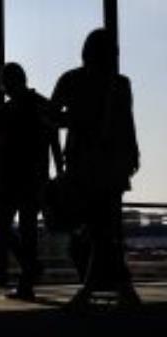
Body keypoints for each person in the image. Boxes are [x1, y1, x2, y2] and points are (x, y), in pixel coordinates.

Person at [51, 28, 141, 309]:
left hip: (82, 163)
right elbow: (126, 125)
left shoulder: (71, 79)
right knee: (106, 230)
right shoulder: (120, 83)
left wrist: (72, 121)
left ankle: (93, 290)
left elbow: (54, 118)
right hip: (111, 165)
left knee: (97, 230)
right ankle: (117, 288)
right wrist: (130, 159)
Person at [0, 63, 63, 300]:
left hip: (10, 178)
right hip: (35, 177)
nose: (2, 88)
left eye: (3, 83)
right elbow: (54, 141)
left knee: (2, 227)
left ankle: (29, 267)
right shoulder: (41, 104)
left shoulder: (5, 111)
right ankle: (27, 281)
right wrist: (59, 171)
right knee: (28, 229)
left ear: (9, 82)